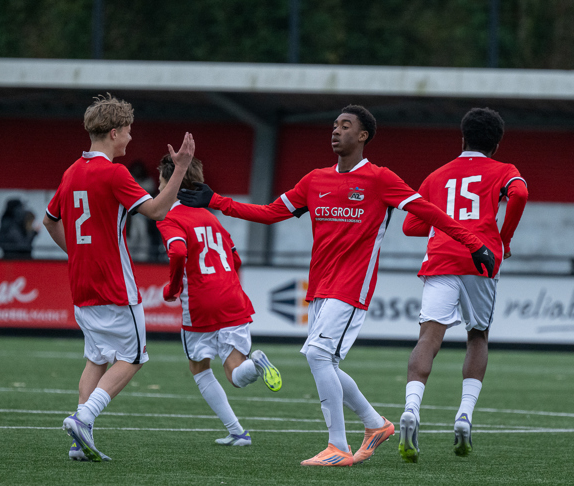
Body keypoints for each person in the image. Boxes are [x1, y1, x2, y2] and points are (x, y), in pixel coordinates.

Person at [178, 104, 495, 467]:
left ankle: (338, 447)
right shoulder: (315, 180)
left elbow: (429, 211)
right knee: (325, 361)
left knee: (318, 356)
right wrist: (216, 201)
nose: (336, 130)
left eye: (345, 126)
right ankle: (376, 424)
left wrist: (474, 243)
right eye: (334, 125)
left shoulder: (380, 179)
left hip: (352, 287)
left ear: (362, 136)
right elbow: (270, 213)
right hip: (319, 288)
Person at [42, 93, 195, 462]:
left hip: (82, 285)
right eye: (127, 130)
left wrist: (77, 253)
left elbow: (49, 220)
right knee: (134, 357)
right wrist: (180, 168)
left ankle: (80, 441)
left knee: (96, 358)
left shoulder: (72, 171)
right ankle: (84, 418)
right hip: (114, 285)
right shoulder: (114, 173)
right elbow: (157, 211)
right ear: (114, 133)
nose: (130, 137)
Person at [398, 108, 528, 463]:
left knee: (428, 337)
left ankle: (411, 409)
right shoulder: (504, 170)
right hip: (480, 260)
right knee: (478, 335)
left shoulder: (437, 175)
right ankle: (464, 415)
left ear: (462, 138)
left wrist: (443, 227)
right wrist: (503, 239)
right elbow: (519, 194)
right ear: (496, 144)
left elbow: (410, 226)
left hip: (441, 258)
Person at [155, 154, 282, 446]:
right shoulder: (211, 218)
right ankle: (255, 368)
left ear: (172, 184)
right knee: (236, 373)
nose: (159, 188)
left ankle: (236, 430)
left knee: (199, 368)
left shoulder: (170, 218)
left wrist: (173, 288)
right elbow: (235, 259)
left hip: (201, 303)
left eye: (162, 182)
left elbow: (178, 251)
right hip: (233, 298)